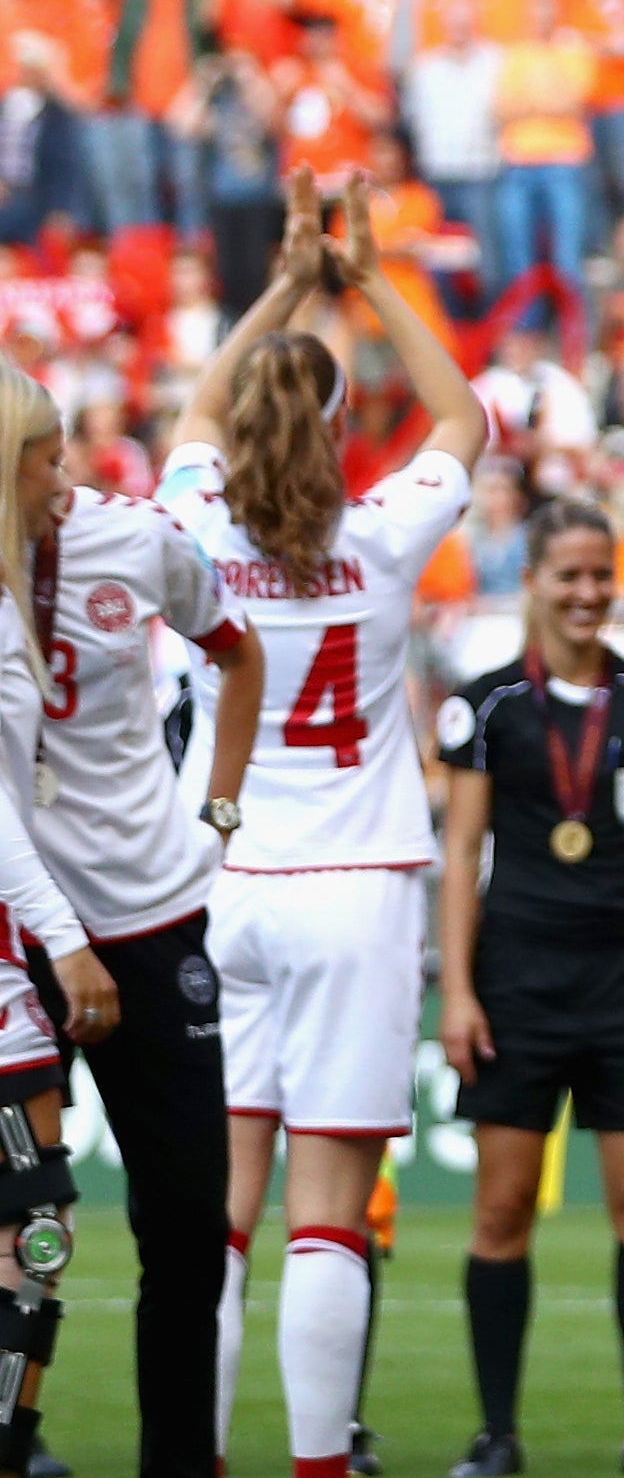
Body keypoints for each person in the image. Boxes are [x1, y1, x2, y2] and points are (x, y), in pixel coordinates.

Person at [170, 174, 483, 1478]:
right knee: (328, 1221)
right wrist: (365, 279)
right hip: (357, 892)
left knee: (224, 1222)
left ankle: (200, 1459)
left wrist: (293, 280)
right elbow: (465, 411)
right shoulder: (381, 539)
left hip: (226, 880)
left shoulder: (192, 526)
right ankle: (313, 1466)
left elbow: (195, 403)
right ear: (343, 426)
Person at [0, 355, 258, 1478]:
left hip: (153, 918)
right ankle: (20, 1433)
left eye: (64, 447)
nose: (65, 473)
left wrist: (217, 812)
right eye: (42, 454)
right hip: (20, 939)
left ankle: (178, 1463)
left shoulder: (140, 535)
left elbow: (238, 654)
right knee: (28, 1222)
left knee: (191, 1224)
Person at [434, 494, 624, 1478]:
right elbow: (461, 848)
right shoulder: (487, 704)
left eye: (602, 573)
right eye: (570, 574)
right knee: (502, 1208)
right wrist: (459, 992)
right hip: (519, 980)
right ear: (534, 581)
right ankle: (496, 1431)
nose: (589, 591)